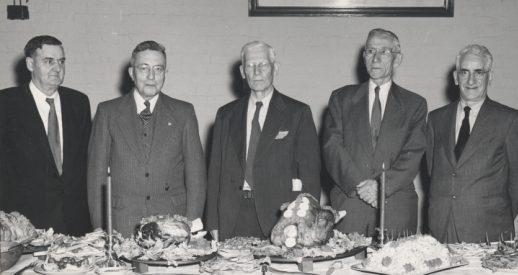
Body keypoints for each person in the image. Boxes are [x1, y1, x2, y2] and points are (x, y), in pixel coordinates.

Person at [87, 41, 207, 236]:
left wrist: (192, 225)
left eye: (158, 69)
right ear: (131, 72)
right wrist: (100, 227)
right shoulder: (107, 112)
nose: (151, 76)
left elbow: (196, 175)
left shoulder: (184, 113)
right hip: (121, 222)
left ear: (165, 73)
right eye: (144, 68)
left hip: (172, 223)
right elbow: (96, 176)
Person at [206, 41, 321, 241]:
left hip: (281, 219)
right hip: (232, 215)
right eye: (250, 65)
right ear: (242, 72)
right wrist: (213, 222)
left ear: (275, 68)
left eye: (263, 65)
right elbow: (215, 171)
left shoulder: (298, 113)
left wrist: (306, 223)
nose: (257, 71)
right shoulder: (225, 114)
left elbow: (310, 175)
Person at [322, 28, 427, 237]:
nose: (376, 58)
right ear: (364, 57)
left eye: (384, 52)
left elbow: (413, 154)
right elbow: (331, 147)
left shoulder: (415, 104)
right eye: (370, 51)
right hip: (350, 205)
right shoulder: (341, 98)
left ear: (397, 59)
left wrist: (380, 186)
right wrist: (360, 186)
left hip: (395, 206)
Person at [426, 44, 518, 243]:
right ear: (455, 77)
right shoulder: (436, 119)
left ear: (489, 76)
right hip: (442, 227)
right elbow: (434, 171)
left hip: (488, 228)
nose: (471, 80)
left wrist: (499, 212)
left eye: (479, 72)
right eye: (464, 72)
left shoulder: (510, 120)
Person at [0, 35, 92, 236]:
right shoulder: (6, 104)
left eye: (61, 61)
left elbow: (87, 161)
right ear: (30, 64)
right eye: (48, 61)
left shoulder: (79, 102)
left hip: (75, 223)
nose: (57, 68)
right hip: (25, 225)